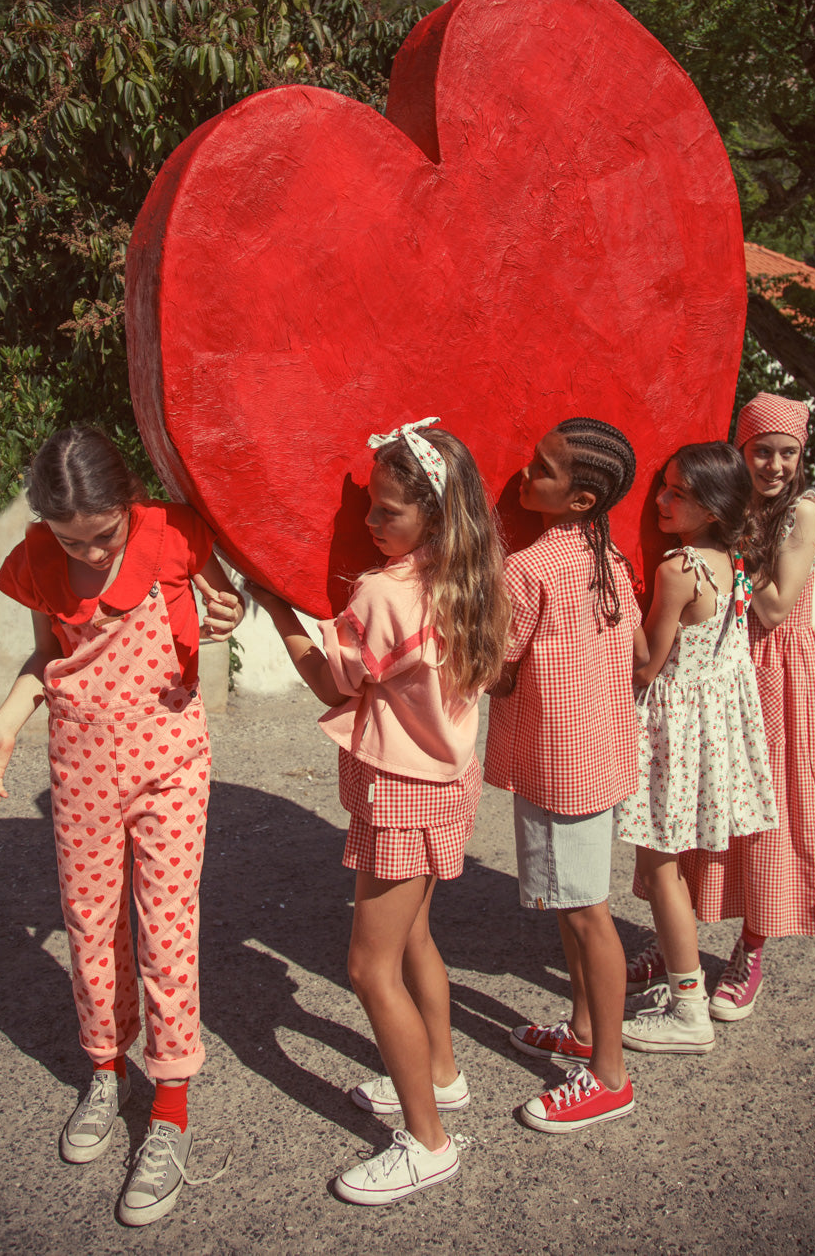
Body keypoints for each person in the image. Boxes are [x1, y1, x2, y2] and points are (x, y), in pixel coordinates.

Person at [0, 425, 244, 1227]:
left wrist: (228, 611)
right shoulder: (40, 560)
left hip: (171, 763)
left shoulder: (178, 534)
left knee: (166, 927)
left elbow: (224, 609)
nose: (88, 554)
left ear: (129, 506)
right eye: (69, 538)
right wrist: (5, 724)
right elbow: (43, 658)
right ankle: (103, 1069)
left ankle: (171, 1108)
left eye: (104, 535)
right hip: (79, 765)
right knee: (89, 924)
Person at [248, 420, 509, 1206]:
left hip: (398, 791)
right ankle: (441, 1072)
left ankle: (428, 1143)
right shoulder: (472, 574)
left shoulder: (381, 592)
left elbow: (334, 684)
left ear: (431, 513)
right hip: (445, 782)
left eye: (386, 512)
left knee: (368, 967)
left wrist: (278, 609)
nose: (368, 523)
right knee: (416, 935)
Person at [647, 393, 815, 1021]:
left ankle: (753, 946)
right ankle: (681, 942)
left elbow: (776, 607)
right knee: (700, 804)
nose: (774, 464)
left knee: (768, 814)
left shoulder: (803, 510)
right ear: (741, 448)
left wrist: (728, 559)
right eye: (761, 450)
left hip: (777, 671)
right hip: (726, 665)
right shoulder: (730, 500)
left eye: (787, 452)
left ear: (802, 456)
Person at [488, 418, 646, 1133]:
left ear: (580, 498)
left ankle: (609, 1074)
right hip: (596, 756)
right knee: (572, 905)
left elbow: (495, 665)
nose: (526, 475)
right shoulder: (608, 557)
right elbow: (639, 651)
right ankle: (584, 1029)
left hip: (560, 763)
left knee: (588, 913)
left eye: (542, 469)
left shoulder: (528, 568)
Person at [614, 443, 777, 1053]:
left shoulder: (678, 569)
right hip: (706, 736)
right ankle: (681, 984)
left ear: (709, 506)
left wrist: (614, 606)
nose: (661, 498)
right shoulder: (731, 561)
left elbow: (647, 662)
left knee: (659, 870)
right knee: (666, 868)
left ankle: (688, 1007)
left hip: (672, 736)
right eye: (664, 486)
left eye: (676, 492)